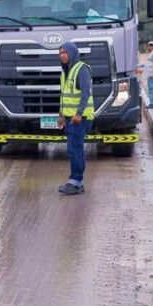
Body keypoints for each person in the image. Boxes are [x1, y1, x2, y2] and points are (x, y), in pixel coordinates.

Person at [57, 41, 94, 195]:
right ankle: (77, 182)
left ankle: (76, 182)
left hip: (80, 118)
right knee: (74, 148)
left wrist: (79, 113)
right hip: (70, 118)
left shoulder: (81, 69)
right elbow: (64, 97)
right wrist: (61, 115)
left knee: (74, 149)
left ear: (72, 53)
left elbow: (86, 93)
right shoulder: (65, 71)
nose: (62, 55)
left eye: (65, 52)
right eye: (60, 53)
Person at [141, 40, 153, 108]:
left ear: (152, 46)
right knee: (150, 88)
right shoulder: (152, 52)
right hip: (150, 73)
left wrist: (152, 71)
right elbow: (149, 63)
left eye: (149, 46)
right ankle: (151, 102)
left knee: (152, 89)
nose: (148, 47)